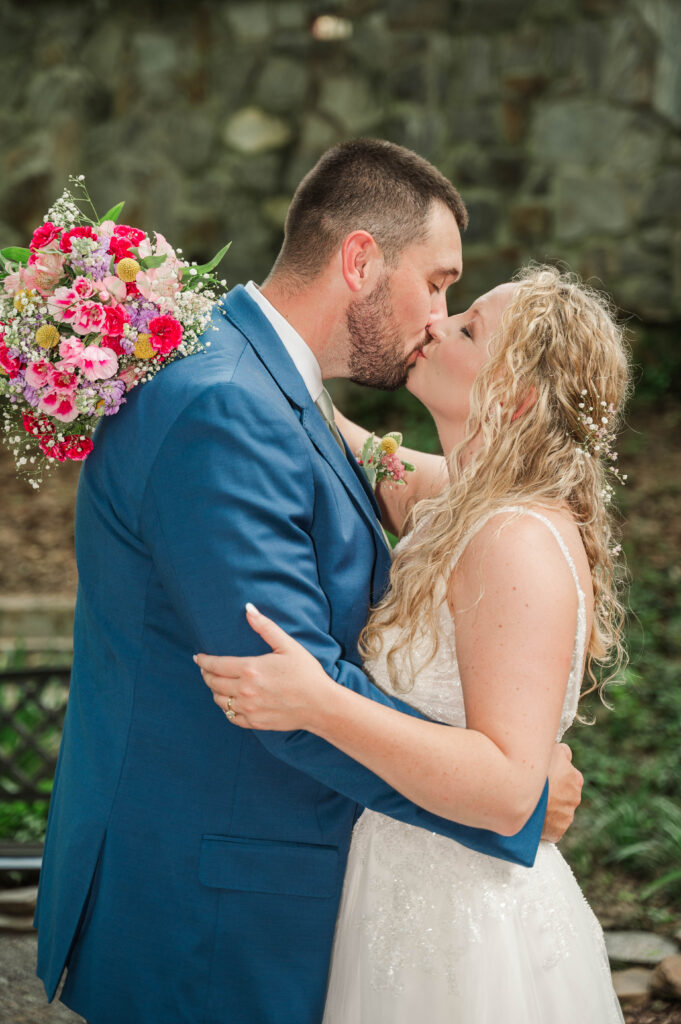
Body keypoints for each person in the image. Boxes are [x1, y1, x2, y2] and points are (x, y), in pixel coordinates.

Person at [34, 141, 582, 1024]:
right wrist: (506, 797)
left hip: (250, 878)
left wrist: (503, 767)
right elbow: (282, 694)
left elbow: (467, 495)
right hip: (212, 906)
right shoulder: (228, 407)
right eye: (437, 283)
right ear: (360, 259)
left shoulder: (260, 380)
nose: (437, 318)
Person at [197, 265, 628, 1023]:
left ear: (515, 396)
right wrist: (177, 308)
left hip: (467, 926)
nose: (436, 323)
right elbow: (343, 437)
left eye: (467, 329)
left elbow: (505, 792)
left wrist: (320, 704)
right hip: (396, 885)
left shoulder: (514, 538)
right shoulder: (457, 499)